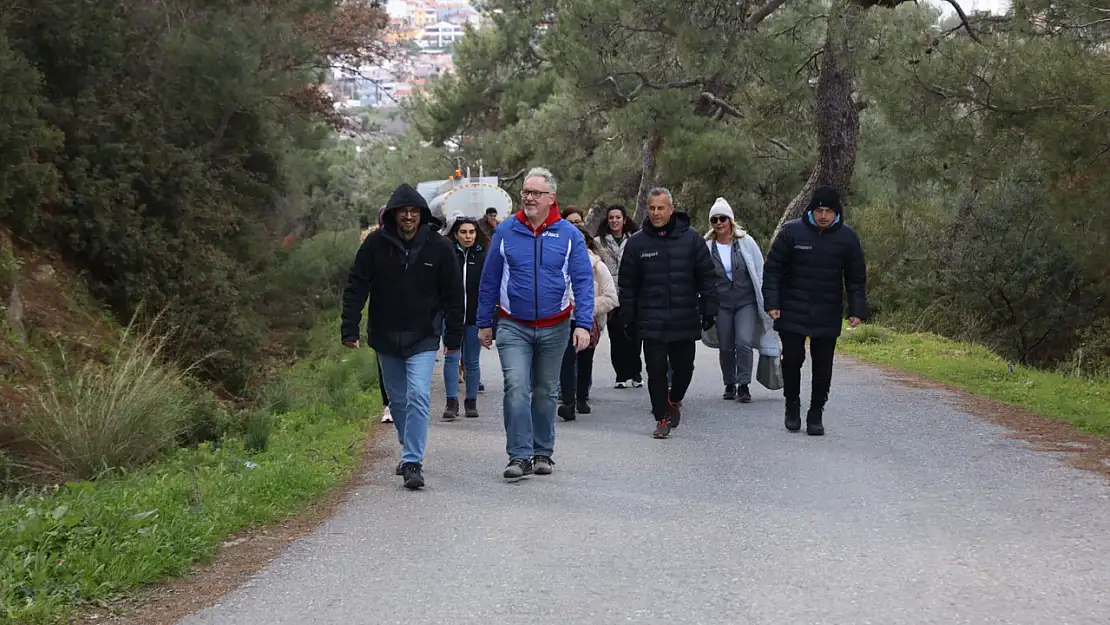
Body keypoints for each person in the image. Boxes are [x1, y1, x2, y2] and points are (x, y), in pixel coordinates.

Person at [341, 184, 464, 489]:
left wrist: (455, 335)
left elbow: (454, 294)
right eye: (403, 212)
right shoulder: (374, 245)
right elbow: (357, 286)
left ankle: (412, 461)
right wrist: (349, 328)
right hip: (385, 335)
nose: (408, 216)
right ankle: (407, 443)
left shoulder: (439, 247)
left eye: (414, 211)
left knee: (419, 394)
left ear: (422, 215)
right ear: (393, 215)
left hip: (423, 335)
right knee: (397, 401)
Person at [477, 167, 594, 479]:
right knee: (516, 386)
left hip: (555, 327)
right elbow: (489, 279)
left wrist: (583, 323)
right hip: (513, 325)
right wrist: (484, 321)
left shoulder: (569, 235)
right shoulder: (506, 231)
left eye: (536, 193)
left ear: (551, 198)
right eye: (526, 192)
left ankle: (543, 452)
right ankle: (519, 456)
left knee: (545, 391)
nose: (529, 197)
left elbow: (583, 281)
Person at [762, 185, 869, 436]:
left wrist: (857, 310)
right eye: (819, 210)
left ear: (837, 213)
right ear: (811, 210)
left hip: (827, 310)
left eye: (828, 211)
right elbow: (773, 270)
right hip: (792, 309)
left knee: (823, 365)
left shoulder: (847, 238)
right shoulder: (791, 232)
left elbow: (855, 278)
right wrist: (772, 303)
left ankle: (816, 413)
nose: (823, 216)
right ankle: (792, 406)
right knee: (793, 359)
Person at [618, 188, 719, 439]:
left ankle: (674, 399)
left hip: (684, 317)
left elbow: (707, 277)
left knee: (684, 369)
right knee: (656, 370)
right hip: (651, 319)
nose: (656, 213)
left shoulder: (692, 239)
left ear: (671, 209)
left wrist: (710, 309)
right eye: (652, 208)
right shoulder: (637, 243)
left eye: (661, 208)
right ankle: (661, 416)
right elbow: (627, 285)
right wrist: (628, 318)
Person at [703, 197, 779, 403]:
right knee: (726, 345)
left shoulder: (746, 242)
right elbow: (702, 275)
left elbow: (759, 271)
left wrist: (768, 300)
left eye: (723, 219)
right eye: (715, 220)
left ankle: (743, 384)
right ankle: (730, 383)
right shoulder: (707, 246)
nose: (719, 223)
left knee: (744, 342)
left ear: (731, 221)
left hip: (746, 301)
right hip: (722, 304)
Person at [557, 210, 619, 421]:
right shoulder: (558, 263)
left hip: (587, 320)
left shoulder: (597, 266)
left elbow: (611, 297)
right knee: (566, 361)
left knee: (584, 360)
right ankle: (568, 401)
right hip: (562, 319)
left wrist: (585, 306)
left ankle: (582, 397)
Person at [440, 213, 487, 420]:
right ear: (456, 235)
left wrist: (488, 319)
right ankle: (451, 402)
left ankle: (471, 401)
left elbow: (488, 288)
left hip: (474, 318)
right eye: (463, 232)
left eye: (472, 232)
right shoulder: (448, 255)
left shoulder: (483, 256)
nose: (468, 236)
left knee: (472, 361)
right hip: (451, 317)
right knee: (451, 358)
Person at [594, 204, 643, 389]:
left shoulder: (635, 239)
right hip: (611, 294)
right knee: (616, 336)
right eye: (611, 217)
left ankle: (636, 372)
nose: (614, 221)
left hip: (632, 292)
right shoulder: (599, 241)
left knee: (634, 334)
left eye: (618, 217)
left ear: (624, 219)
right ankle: (621, 374)